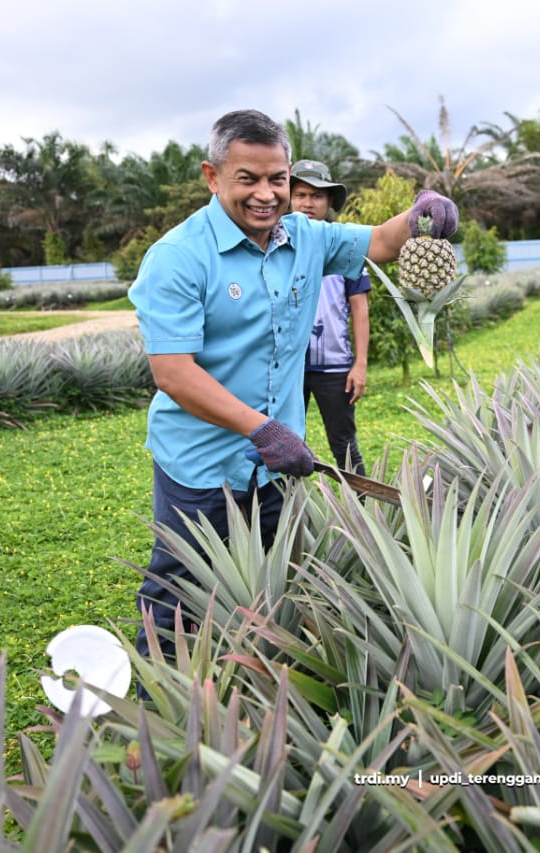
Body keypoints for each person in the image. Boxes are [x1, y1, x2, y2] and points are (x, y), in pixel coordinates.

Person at [129, 109, 457, 662]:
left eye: (276, 179)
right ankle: (153, 710)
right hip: (202, 466)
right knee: (177, 596)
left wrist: (420, 212)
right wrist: (260, 428)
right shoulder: (178, 257)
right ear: (213, 177)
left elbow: (380, 241)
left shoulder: (306, 237)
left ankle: (250, 688)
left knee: (270, 586)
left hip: (278, 464)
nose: (266, 194)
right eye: (247, 179)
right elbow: (174, 373)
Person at [290, 159, 370, 475]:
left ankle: (362, 515)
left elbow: (360, 308)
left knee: (345, 446)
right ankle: (284, 517)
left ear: (329, 202)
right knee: (285, 445)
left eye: (318, 196)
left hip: (335, 366)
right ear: (287, 198)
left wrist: (360, 364)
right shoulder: (272, 243)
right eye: (301, 194)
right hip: (287, 367)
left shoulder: (345, 248)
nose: (308, 203)